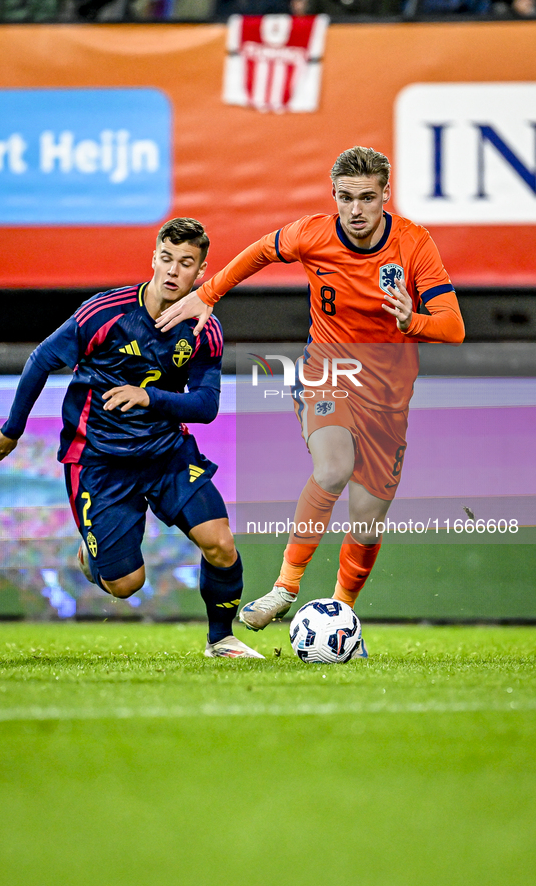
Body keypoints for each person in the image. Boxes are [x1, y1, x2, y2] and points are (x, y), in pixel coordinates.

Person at [156, 147, 465, 651]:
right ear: (335, 197)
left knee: (366, 518)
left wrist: (413, 321)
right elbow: (258, 251)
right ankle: (285, 588)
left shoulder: (414, 243)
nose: (357, 209)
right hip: (328, 374)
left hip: (389, 399)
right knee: (332, 468)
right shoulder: (312, 234)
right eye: (347, 198)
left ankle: (340, 611)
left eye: (368, 197)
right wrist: (208, 293)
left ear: (385, 195)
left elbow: (454, 328)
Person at [0, 217, 263, 659]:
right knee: (127, 584)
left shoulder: (204, 329)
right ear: (153, 259)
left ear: (200, 272)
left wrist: (148, 398)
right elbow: (41, 360)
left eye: (185, 263)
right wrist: (12, 431)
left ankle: (220, 639)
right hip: (99, 460)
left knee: (221, 544)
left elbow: (206, 406)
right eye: (166, 259)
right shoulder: (104, 314)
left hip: (166, 453)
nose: (173, 270)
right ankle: (94, 555)